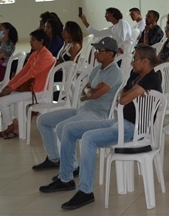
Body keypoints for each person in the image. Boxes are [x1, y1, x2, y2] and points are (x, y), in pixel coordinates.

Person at [40, 45, 162, 210]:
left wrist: (128, 93)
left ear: (146, 61)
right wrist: (131, 92)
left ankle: (85, 191)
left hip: (133, 128)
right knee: (68, 129)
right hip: (117, 121)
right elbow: (122, 94)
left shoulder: (151, 79)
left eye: (135, 59)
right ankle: (65, 178)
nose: (132, 62)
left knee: (89, 138)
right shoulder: (137, 75)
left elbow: (123, 100)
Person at [32, 36, 126, 173]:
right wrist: (92, 91)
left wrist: (92, 92)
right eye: (96, 50)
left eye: (100, 50)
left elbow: (93, 95)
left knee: (62, 127)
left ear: (110, 53)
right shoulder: (96, 70)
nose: (95, 53)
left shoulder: (115, 73)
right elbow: (85, 92)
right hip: (83, 109)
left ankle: (72, 167)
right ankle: (54, 158)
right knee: (43, 120)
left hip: (96, 114)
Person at [0, 29, 57, 140]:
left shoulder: (46, 56)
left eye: (33, 40)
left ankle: (11, 126)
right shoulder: (35, 55)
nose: (30, 42)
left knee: (2, 101)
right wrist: (8, 86)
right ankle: (15, 126)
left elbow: (30, 74)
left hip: (39, 92)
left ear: (41, 41)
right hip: (30, 89)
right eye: (30, 40)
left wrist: (11, 89)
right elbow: (23, 72)